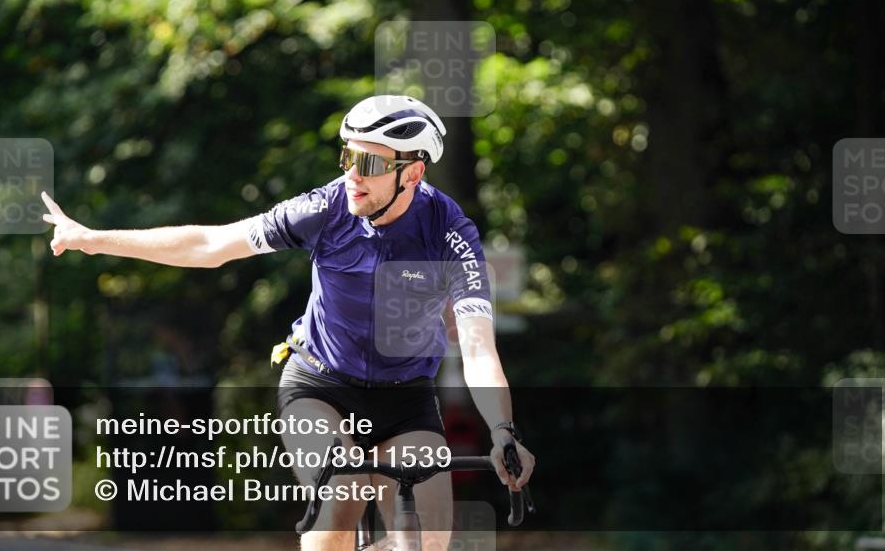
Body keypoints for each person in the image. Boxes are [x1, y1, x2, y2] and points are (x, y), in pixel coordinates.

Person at [42, 95, 535, 551]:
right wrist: (94, 238)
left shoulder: (450, 234)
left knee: (426, 538)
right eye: (347, 157)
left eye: (369, 164)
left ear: (412, 173)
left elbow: (477, 349)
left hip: (405, 397)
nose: (352, 176)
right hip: (320, 385)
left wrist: (502, 430)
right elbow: (212, 246)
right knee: (343, 493)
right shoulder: (326, 209)